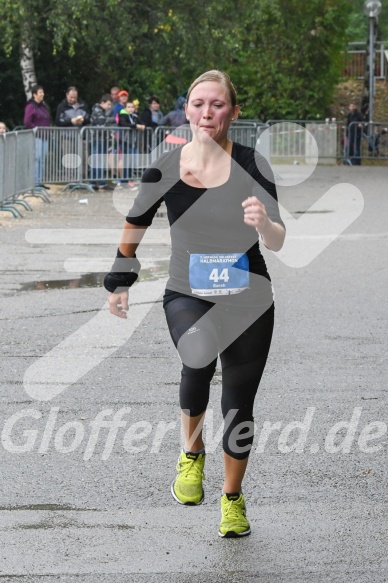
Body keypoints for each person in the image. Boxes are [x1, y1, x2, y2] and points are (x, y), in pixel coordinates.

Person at [104, 70, 285, 538]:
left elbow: (279, 240)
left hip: (248, 297)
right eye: (199, 103)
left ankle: (231, 499)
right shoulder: (165, 166)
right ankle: (190, 454)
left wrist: (264, 222)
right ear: (186, 110)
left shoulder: (253, 165)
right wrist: (119, 280)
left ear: (234, 112)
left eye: (218, 104)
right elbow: (135, 223)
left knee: (238, 405)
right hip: (189, 292)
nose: (208, 112)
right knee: (197, 358)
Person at [23, 85, 52, 189]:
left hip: (45, 136)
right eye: (40, 92)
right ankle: (35, 181)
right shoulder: (31, 106)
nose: (42, 94)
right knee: (37, 158)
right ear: (34, 94)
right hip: (36, 136)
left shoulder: (44, 106)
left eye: (43, 92)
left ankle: (40, 181)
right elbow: (27, 121)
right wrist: (37, 129)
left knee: (42, 159)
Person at [89, 94, 115, 190]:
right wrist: (113, 120)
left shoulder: (99, 111)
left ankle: (93, 182)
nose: (109, 107)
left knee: (96, 160)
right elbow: (102, 124)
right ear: (102, 102)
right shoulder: (98, 111)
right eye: (108, 104)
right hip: (98, 139)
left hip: (99, 139)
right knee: (98, 160)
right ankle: (100, 182)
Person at [117, 101, 145, 186]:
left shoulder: (135, 116)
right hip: (125, 142)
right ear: (125, 108)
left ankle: (129, 179)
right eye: (128, 107)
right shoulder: (122, 115)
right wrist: (136, 126)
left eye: (132, 107)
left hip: (134, 142)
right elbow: (124, 124)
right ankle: (123, 181)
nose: (131, 109)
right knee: (126, 162)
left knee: (132, 162)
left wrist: (141, 126)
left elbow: (143, 124)